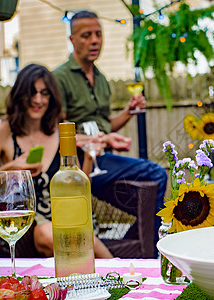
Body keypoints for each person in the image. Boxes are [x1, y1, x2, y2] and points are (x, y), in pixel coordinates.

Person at [0, 63, 113, 258]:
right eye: (32, 93)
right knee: (49, 234)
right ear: (20, 95)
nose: (38, 100)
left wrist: (88, 156)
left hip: (70, 214)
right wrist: (11, 168)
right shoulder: (3, 130)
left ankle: (109, 274)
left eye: (45, 93)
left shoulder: (58, 129)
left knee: (74, 231)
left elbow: (79, 187)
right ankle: (113, 269)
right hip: (29, 222)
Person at [52, 10, 168, 251]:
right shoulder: (59, 78)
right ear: (72, 40)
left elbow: (105, 124)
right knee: (156, 173)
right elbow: (55, 132)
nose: (95, 40)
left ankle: (139, 244)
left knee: (149, 190)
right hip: (77, 163)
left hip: (101, 159)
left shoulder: (101, 79)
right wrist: (101, 139)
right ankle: (149, 248)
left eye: (98, 34)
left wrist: (129, 111)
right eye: (86, 35)